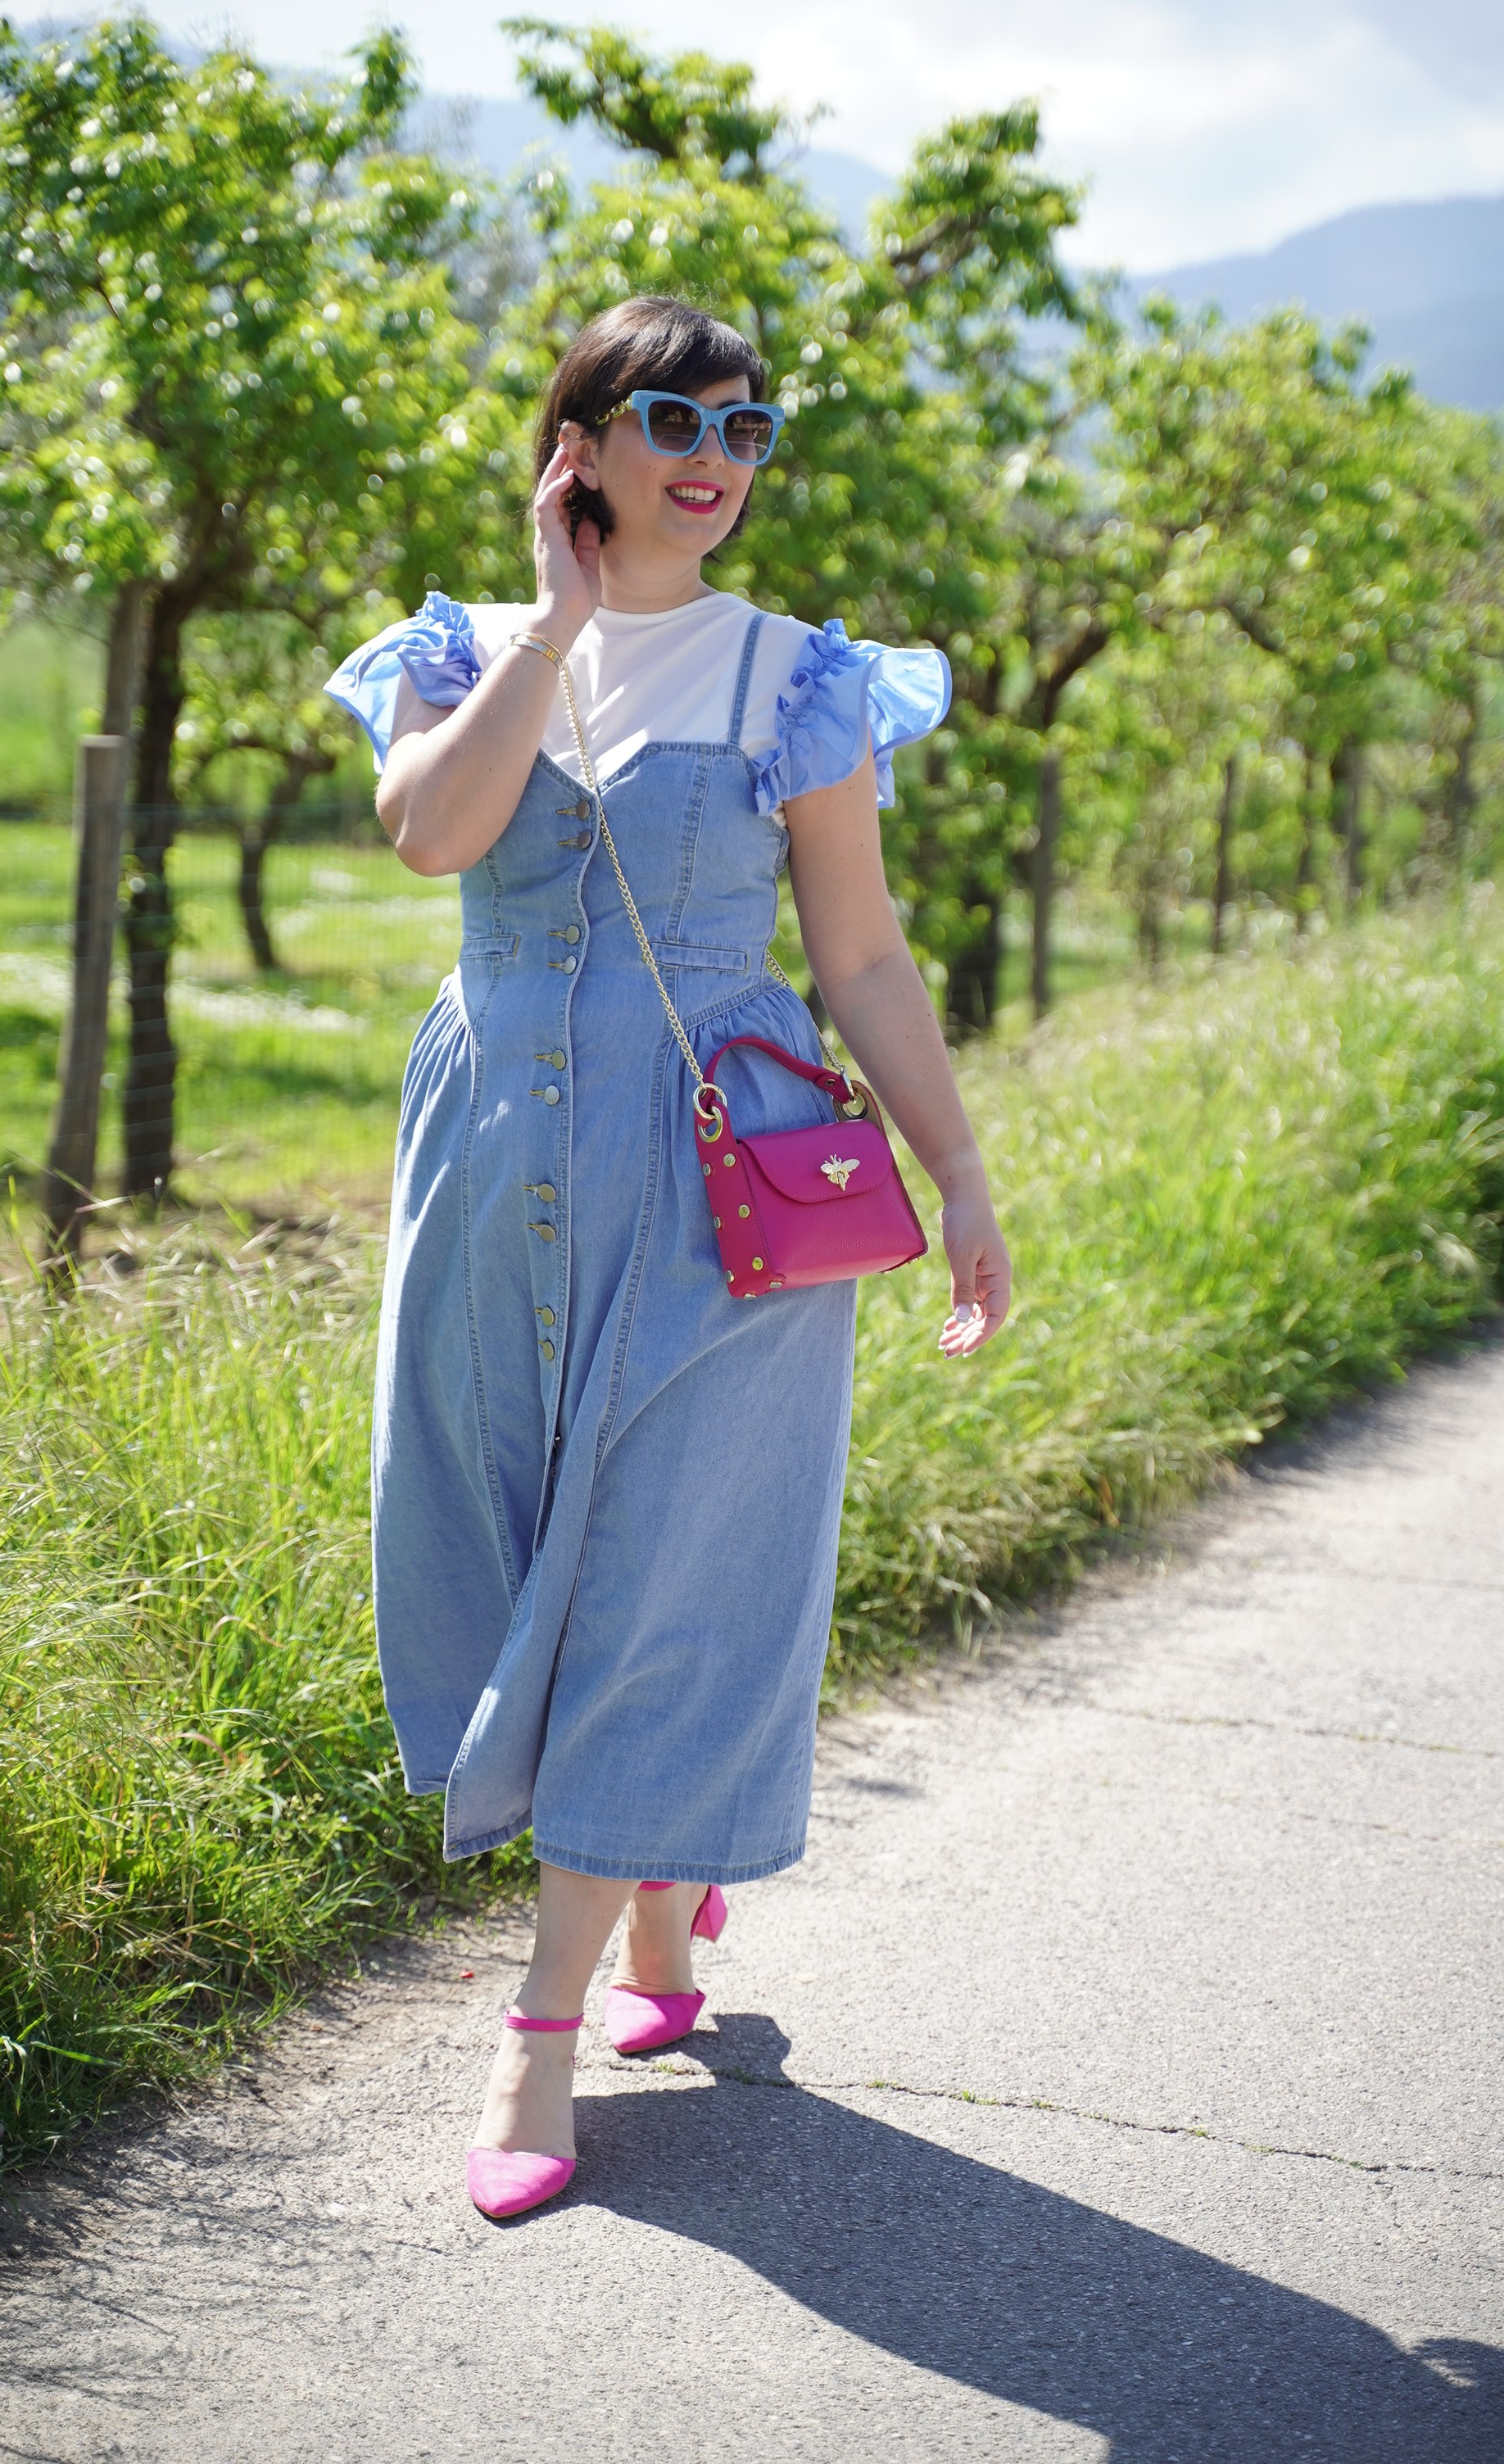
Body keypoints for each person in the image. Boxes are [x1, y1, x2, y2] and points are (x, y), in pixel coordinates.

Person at [326, 295, 1011, 2220]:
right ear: (579, 448)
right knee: (497, 1530)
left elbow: (860, 953)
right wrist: (551, 626)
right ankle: (654, 1900)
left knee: (649, 1558)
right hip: (493, 1159)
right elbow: (430, 838)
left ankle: (537, 2039)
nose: (713, 451)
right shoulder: (458, 652)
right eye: (669, 416)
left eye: (747, 425)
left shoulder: (801, 676)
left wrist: (958, 1171)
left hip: (729, 1181)